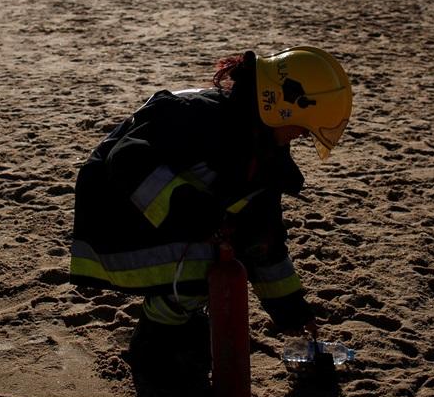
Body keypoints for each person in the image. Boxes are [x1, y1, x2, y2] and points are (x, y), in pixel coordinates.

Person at [69, 48, 353, 353]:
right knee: (211, 263)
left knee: (230, 244)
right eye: (303, 126)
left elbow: (263, 237)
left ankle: (177, 324)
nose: (301, 136)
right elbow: (126, 161)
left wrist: (292, 313)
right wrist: (195, 215)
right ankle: (156, 343)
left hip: (157, 222)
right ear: (282, 105)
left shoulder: (263, 153)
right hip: (113, 225)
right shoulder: (198, 116)